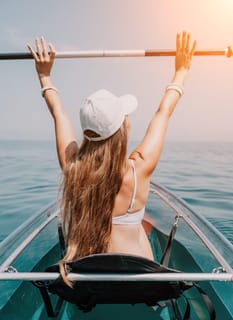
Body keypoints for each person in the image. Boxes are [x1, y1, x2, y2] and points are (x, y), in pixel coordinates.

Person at [28, 32, 196, 284]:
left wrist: (44, 74)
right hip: (139, 279)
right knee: (144, 225)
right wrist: (181, 70)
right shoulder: (140, 169)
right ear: (121, 129)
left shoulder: (72, 166)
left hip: (87, 280)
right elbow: (164, 112)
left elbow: (58, 113)